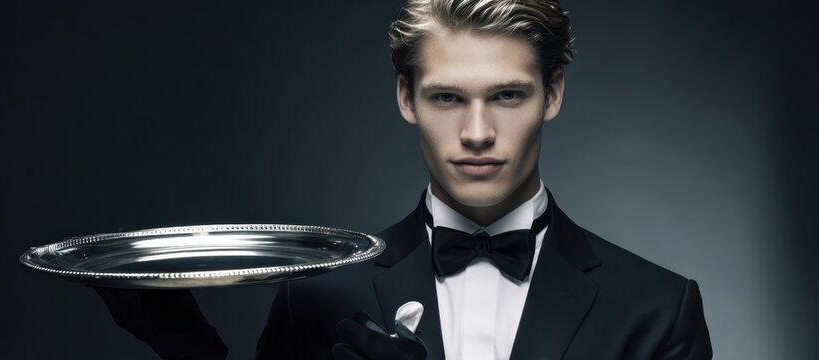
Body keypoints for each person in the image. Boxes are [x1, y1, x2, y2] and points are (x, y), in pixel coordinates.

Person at [97, 0, 712, 359]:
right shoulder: (313, 296)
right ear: (405, 98)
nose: (476, 131)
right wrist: (192, 351)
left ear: (552, 94)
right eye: (447, 97)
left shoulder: (658, 308)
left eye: (506, 95)